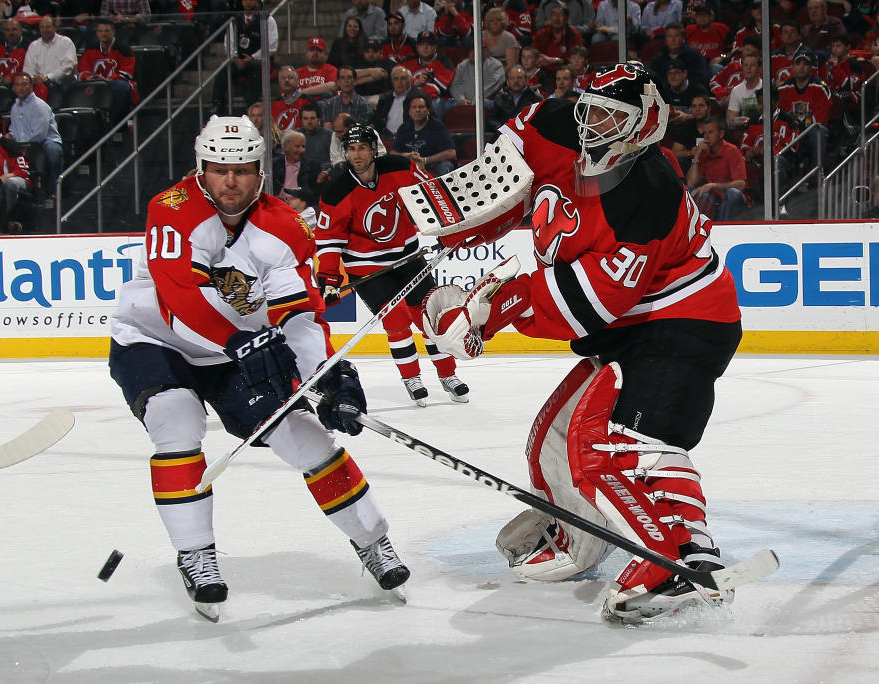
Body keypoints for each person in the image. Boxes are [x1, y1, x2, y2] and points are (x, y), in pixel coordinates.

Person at [417, 62, 741, 624]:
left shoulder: (646, 189)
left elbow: (584, 304)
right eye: (589, 109)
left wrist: (488, 311)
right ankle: (585, 537)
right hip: (632, 330)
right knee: (556, 437)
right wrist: (447, 226)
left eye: (610, 117)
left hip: (679, 324)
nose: (591, 126)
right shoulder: (554, 122)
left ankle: (678, 559)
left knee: (614, 444)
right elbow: (504, 180)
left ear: (644, 126)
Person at [108, 115, 410, 621]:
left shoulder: (284, 226)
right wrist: (239, 341)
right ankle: (196, 554)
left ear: (260, 172)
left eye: (243, 169)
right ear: (200, 169)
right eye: (220, 169)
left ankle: (372, 541)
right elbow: (181, 298)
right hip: (156, 342)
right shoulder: (171, 209)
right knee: (177, 421)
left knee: (309, 439)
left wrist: (328, 375)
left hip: (237, 350)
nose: (231, 181)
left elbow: (298, 314)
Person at [316, 124, 469, 406]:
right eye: (351, 149)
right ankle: (412, 378)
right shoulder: (336, 191)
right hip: (367, 267)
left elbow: (432, 193)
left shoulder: (400, 167)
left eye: (362, 148)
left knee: (429, 317)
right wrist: (328, 279)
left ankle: (448, 375)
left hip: (407, 258)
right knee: (396, 322)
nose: (356, 154)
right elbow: (328, 240)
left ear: (374, 150)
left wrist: (450, 229)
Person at [211, 0, 278, 116]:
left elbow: (272, 45)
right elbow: (229, 42)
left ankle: (250, 104)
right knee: (223, 69)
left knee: (257, 67)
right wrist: (235, 57)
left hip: (258, 59)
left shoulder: (267, 19)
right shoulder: (235, 20)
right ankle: (218, 103)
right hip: (239, 60)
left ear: (257, 2)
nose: (248, 3)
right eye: (245, 0)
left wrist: (253, 57)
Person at [10, 72, 63, 200]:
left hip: (44, 141)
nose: (21, 88)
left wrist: (22, 146)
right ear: (13, 88)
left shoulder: (40, 106)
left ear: (31, 86)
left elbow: (40, 134)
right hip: (24, 143)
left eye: (24, 84)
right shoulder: (14, 107)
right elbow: (14, 129)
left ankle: (54, 191)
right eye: (17, 85)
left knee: (54, 151)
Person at [687, 116, 749, 220]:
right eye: (704, 133)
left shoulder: (732, 151)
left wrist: (713, 185)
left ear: (721, 134)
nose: (706, 136)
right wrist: (696, 156)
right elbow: (690, 183)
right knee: (689, 191)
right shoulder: (704, 153)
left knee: (732, 193)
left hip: (735, 199)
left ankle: (722, 229)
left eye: (710, 132)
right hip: (715, 198)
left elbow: (741, 184)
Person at [76, 19, 138, 123]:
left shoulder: (124, 49)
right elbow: (83, 69)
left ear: (113, 32)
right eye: (100, 31)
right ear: (97, 33)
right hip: (95, 82)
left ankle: (114, 121)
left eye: (106, 31)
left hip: (115, 82)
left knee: (121, 86)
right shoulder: (90, 48)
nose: (103, 34)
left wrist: (107, 79)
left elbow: (126, 73)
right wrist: (89, 77)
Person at [392, 94, 457, 176]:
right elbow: (393, 153)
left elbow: (451, 153)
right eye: (414, 107)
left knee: (446, 166)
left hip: (433, 165)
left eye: (421, 107)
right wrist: (406, 156)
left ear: (428, 110)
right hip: (410, 165)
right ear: (409, 112)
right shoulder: (404, 127)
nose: (417, 110)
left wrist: (425, 160)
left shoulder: (438, 127)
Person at [23, 15, 78, 105]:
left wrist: (47, 78)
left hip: (61, 84)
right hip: (38, 84)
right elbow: (27, 69)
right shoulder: (34, 45)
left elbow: (67, 68)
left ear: (54, 27)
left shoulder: (65, 42)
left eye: (48, 27)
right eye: (42, 27)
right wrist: (34, 79)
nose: (45, 30)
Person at [649, 22, 711, 90]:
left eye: (676, 36)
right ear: (665, 40)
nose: (673, 40)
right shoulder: (658, 58)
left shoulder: (695, 57)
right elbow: (651, 80)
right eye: (670, 36)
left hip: (690, 94)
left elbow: (702, 80)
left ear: (683, 38)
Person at [371, 66, 427, 138]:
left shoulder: (420, 97)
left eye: (403, 78)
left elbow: (428, 121)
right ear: (392, 81)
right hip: (385, 137)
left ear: (410, 80)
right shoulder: (385, 98)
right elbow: (376, 120)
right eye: (396, 79)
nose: (400, 82)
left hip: (410, 137)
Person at [449, 41, 506, 108]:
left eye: (479, 49)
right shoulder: (462, 66)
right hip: (465, 102)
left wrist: (475, 101)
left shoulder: (496, 66)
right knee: (447, 104)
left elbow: (491, 87)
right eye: (472, 49)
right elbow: (455, 85)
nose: (475, 52)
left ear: (486, 51)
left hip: (489, 102)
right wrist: (461, 99)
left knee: (484, 102)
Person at [532, 5, 584, 73]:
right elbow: (532, 55)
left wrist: (555, 61)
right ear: (550, 17)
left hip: (567, 74)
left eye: (560, 15)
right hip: (543, 73)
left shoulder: (574, 35)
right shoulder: (541, 35)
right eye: (554, 15)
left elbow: (578, 61)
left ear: (566, 19)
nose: (556, 18)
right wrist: (539, 59)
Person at [273, 129, 320, 205]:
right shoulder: (275, 165)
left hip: (301, 206)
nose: (302, 150)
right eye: (297, 146)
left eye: (303, 146)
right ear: (286, 147)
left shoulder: (313, 166)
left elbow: (313, 195)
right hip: (278, 204)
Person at [0, 18, 27, 88]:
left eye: (14, 29)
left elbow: (28, 70)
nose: (11, 33)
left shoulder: (28, 47)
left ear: (21, 31)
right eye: (8, 30)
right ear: (4, 32)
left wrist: (13, 77)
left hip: (16, 86)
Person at [271, 65, 315, 131]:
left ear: (297, 81)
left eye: (290, 78)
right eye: (283, 78)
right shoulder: (274, 104)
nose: (286, 80)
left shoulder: (307, 101)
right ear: (279, 82)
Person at [725, 53, 763, 129]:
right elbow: (731, 121)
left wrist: (744, 120)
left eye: (752, 65)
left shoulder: (766, 87)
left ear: (760, 69)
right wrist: (749, 121)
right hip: (744, 132)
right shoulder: (736, 90)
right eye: (746, 65)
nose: (748, 68)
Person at [484, 7, 521, 71]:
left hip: (504, 72)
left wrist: (495, 75)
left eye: (498, 20)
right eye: (491, 21)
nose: (495, 23)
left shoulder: (509, 38)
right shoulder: (481, 36)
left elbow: (511, 65)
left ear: (503, 22)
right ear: (488, 23)